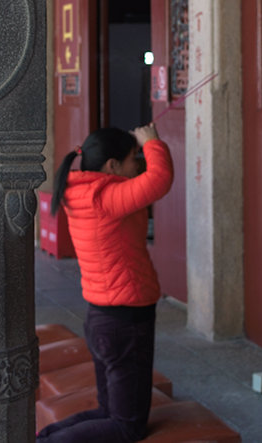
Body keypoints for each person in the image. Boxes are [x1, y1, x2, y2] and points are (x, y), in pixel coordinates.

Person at [37, 124, 174, 442]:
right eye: (132, 159)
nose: (137, 165)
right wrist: (152, 142)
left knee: (108, 413)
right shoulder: (106, 196)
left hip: (103, 318)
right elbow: (159, 180)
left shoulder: (82, 192)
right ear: (112, 165)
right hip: (125, 320)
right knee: (127, 426)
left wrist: (143, 145)